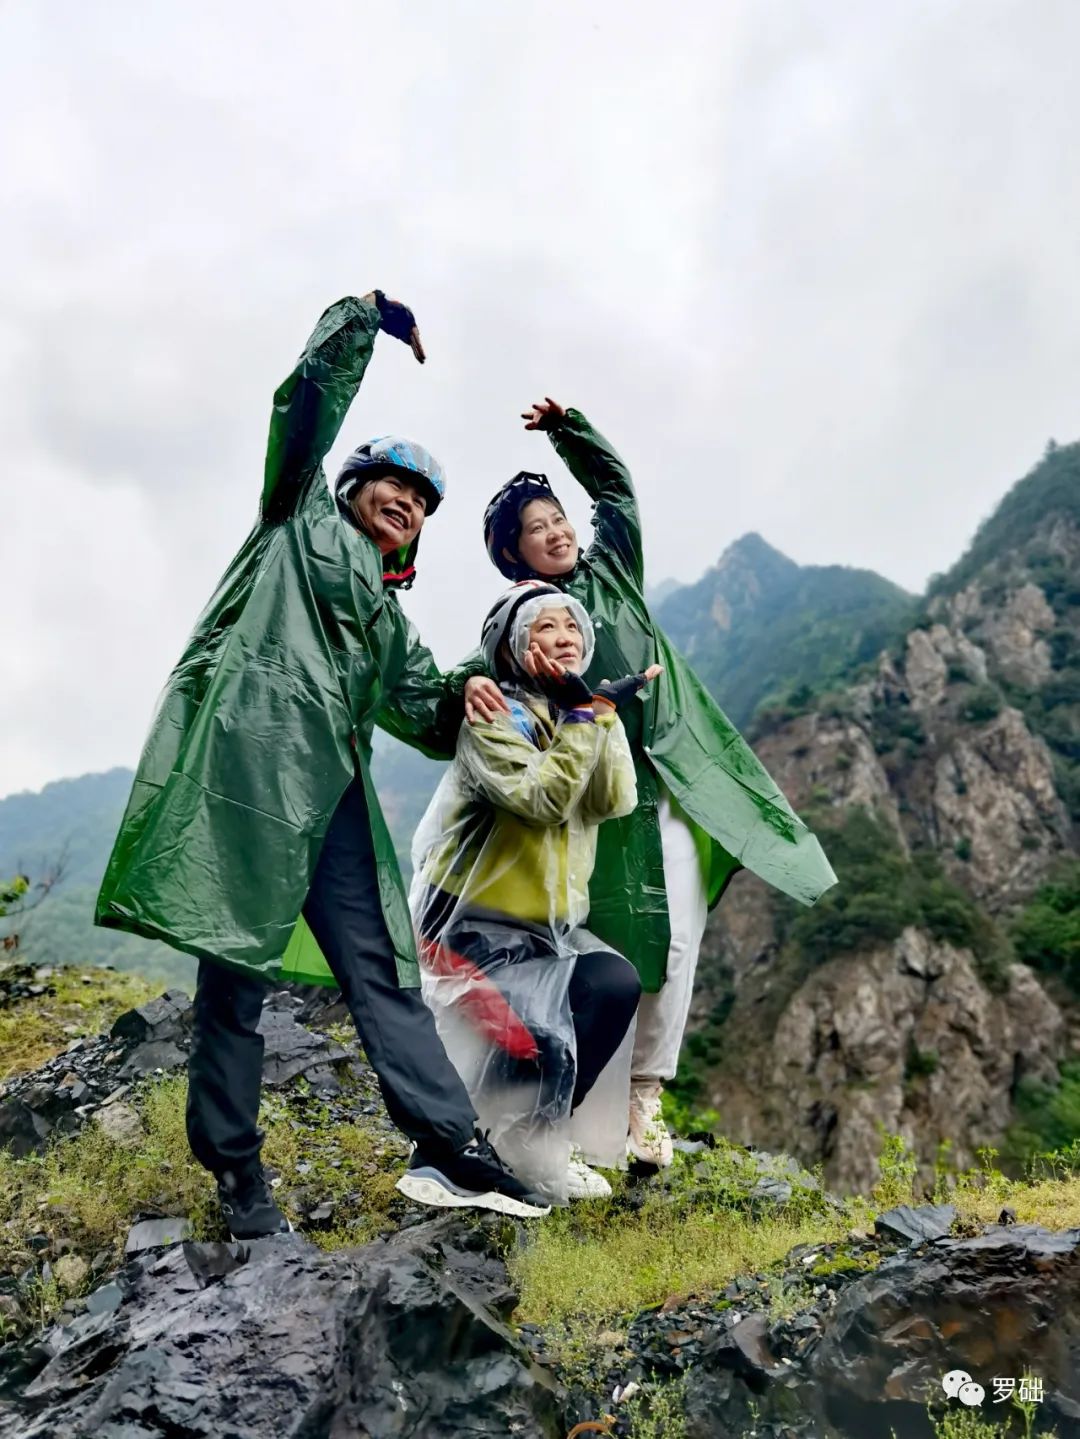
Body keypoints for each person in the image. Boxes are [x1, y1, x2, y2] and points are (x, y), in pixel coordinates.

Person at [95, 291, 549, 1236]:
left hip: (331, 798)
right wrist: (368, 318)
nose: (407, 503)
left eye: (422, 501)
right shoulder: (294, 519)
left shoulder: (385, 620)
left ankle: (450, 1148)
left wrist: (483, 678)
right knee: (236, 973)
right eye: (394, 483)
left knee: (380, 969)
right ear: (350, 485)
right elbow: (306, 401)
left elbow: (426, 707)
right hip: (249, 779)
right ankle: (238, 1177)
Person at [477, 400, 837, 1167]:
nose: (556, 530)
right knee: (600, 942)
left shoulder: (612, 572)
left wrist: (569, 429)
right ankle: (567, 1103)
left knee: (675, 935)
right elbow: (489, 695)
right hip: (585, 798)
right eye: (534, 529)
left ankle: (645, 1095)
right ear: (516, 555)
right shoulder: (521, 619)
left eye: (556, 516)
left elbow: (616, 493)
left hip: (662, 779)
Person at [411, 580, 656, 1202]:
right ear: (515, 645)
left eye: (572, 629)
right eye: (545, 628)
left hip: (542, 933)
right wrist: (581, 717)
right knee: (540, 1033)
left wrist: (600, 715)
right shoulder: (492, 714)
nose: (564, 638)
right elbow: (543, 801)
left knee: (611, 986)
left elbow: (611, 800)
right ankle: (461, 1148)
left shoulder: (572, 714)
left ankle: (531, 1144)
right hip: (467, 930)